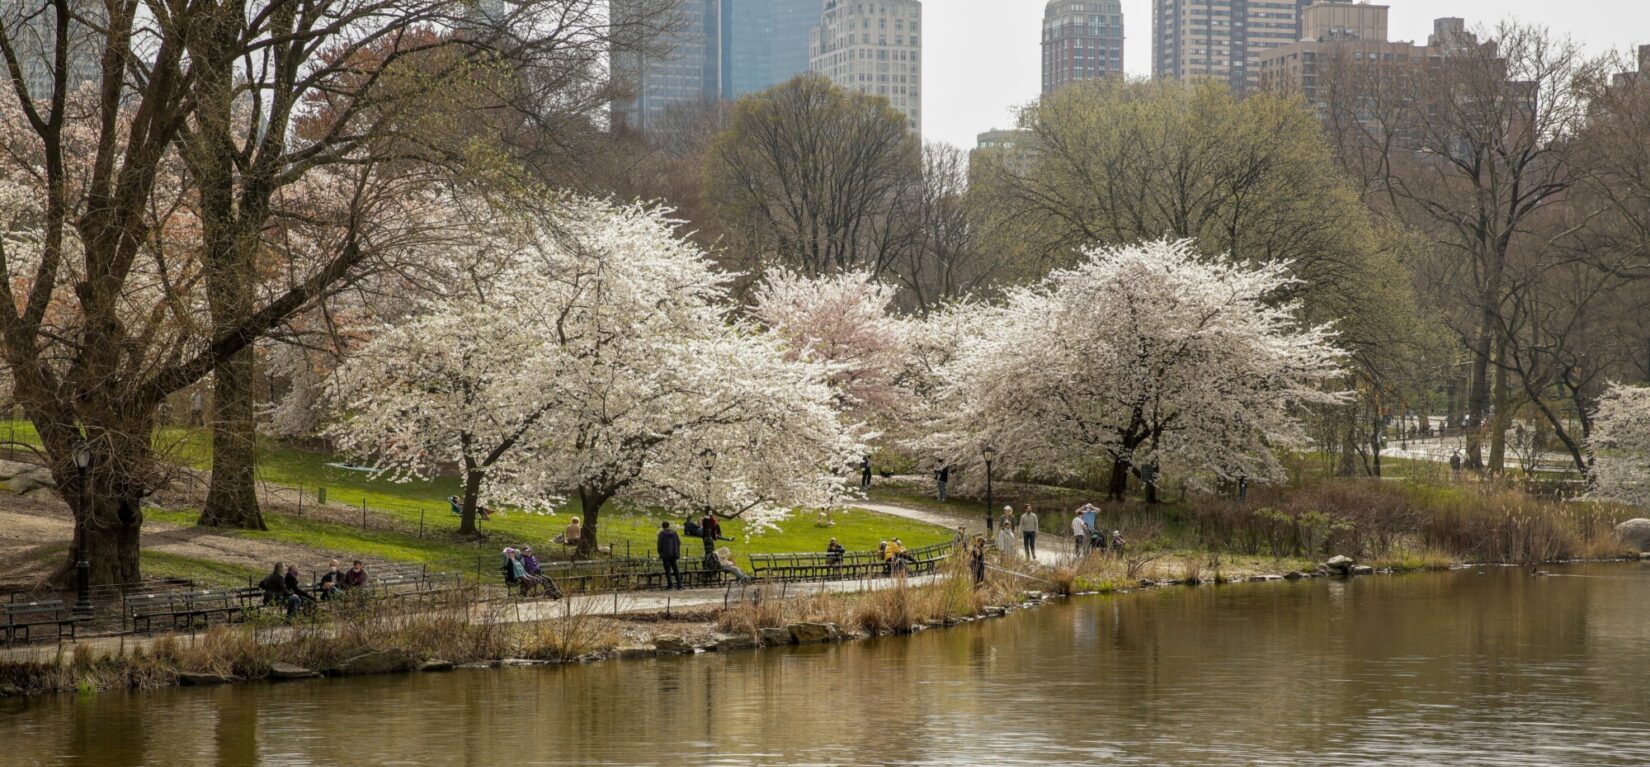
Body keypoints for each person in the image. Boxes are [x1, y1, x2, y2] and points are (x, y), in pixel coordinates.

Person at [658, 521, 683, 590]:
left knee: (667, 570)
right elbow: (679, 543)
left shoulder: (661, 534)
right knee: (676, 569)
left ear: (663, 526)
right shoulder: (674, 533)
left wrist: (660, 553)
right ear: (668, 526)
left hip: (666, 554)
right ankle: (679, 584)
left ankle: (670, 585)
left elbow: (660, 545)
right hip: (674, 554)